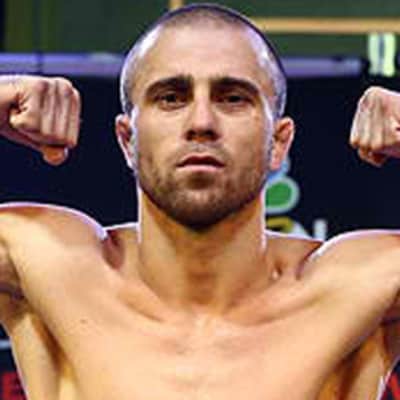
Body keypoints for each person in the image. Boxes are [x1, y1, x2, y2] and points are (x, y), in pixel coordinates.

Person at [0, 3, 399, 399]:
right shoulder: (51, 266)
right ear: (127, 140)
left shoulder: (355, 289)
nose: (202, 123)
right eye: (171, 98)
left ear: (278, 142)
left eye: (233, 98)